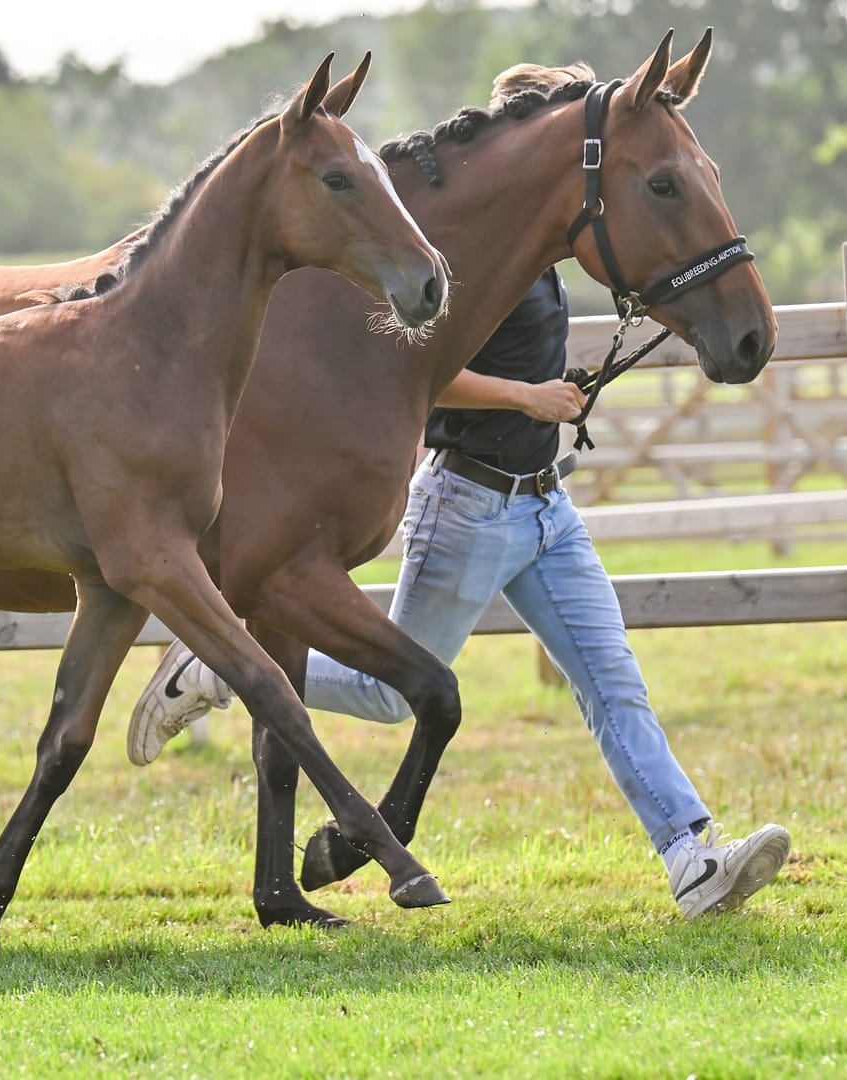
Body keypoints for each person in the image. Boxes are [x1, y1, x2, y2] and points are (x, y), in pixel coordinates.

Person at [127, 264, 791, 919]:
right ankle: (217, 669)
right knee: (389, 693)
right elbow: (417, 377)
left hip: (545, 506)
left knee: (613, 682)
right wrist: (525, 398)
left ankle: (689, 857)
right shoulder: (468, 265)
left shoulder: (534, 259)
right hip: (465, 504)